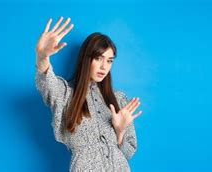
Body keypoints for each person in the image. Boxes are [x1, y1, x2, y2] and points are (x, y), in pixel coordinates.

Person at [34, 16, 142, 171]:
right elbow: (46, 81)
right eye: (99, 58)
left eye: (109, 61)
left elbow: (128, 153)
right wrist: (42, 56)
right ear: (86, 59)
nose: (104, 67)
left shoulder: (118, 99)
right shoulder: (65, 94)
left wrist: (120, 131)